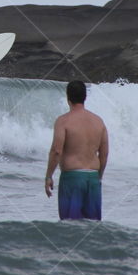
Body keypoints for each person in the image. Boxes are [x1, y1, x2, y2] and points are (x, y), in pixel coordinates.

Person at [44, 81, 108, 220]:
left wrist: (49, 176)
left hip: (72, 179)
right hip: (93, 179)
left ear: (68, 98)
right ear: (85, 97)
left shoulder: (63, 121)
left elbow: (56, 151)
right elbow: (104, 153)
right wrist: (99, 176)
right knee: (93, 228)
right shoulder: (99, 121)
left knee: (70, 227)